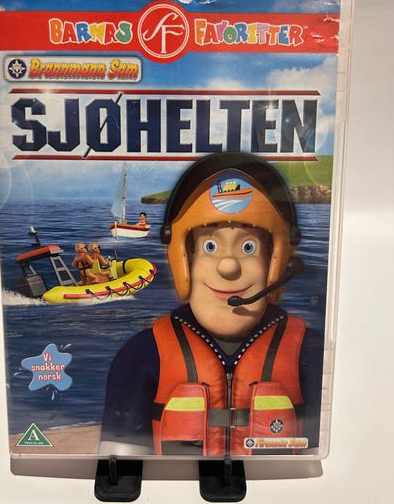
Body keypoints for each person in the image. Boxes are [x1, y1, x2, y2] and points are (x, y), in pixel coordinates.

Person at [100, 152, 324, 457]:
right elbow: (120, 465)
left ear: (277, 261)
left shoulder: (309, 354)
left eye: (249, 247)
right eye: (210, 246)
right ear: (184, 260)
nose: (228, 266)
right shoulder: (141, 357)